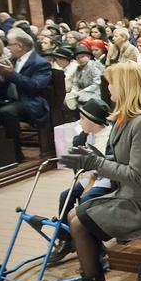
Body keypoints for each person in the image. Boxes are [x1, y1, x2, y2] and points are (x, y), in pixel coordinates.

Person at [57, 61, 141, 281]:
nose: (108, 89)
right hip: (128, 194)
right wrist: (93, 156)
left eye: (111, 83)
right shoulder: (126, 117)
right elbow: (116, 159)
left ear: (125, 86)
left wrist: (95, 163)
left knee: (79, 221)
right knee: (76, 217)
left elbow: (138, 176)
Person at [48, 99, 114, 265]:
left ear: (93, 121)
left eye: (82, 118)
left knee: (86, 201)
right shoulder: (87, 134)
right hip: (90, 178)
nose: (79, 121)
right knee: (65, 196)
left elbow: (109, 165)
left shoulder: (109, 138)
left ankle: (96, 244)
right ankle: (65, 240)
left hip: (107, 181)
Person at [0, 28, 52, 163]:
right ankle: (2, 154)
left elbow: (34, 86)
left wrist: (11, 74)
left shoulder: (40, 63)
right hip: (12, 100)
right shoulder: (12, 60)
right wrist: (2, 78)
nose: (7, 48)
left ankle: (16, 154)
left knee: (7, 113)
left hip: (30, 101)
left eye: (9, 44)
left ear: (20, 46)